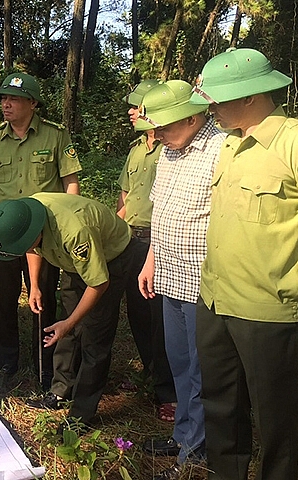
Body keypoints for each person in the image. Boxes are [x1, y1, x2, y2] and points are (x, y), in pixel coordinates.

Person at [190, 48, 298, 480]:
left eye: (218, 99)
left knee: (275, 418)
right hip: (215, 301)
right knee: (221, 406)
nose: (212, 109)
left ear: (250, 96)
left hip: (268, 310)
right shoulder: (230, 141)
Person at [0, 73, 81, 387]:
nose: (5, 104)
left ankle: (44, 365)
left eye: (12, 99)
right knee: (4, 300)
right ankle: (6, 362)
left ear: (32, 103)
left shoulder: (55, 136)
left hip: (43, 238)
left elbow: (70, 181)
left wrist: (69, 224)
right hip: (3, 235)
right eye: (2, 98)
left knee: (43, 300)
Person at [133, 80, 225, 480]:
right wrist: (151, 261)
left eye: (165, 127)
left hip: (203, 282)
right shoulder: (169, 153)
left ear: (192, 117)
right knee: (180, 363)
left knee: (204, 370)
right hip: (169, 275)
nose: (158, 136)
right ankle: (183, 434)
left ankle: (198, 450)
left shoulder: (221, 151)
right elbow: (161, 211)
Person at [0, 193, 139, 428]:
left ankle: (81, 415)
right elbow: (30, 247)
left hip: (111, 259)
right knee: (66, 327)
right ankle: (60, 390)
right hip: (72, 263)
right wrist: (34, 286)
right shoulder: (27, 214)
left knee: (94, 335)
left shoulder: (75, 233)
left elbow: (98, 283)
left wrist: (70, 323)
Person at [116, 79, 177, 421]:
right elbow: (125, 198)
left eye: (136, 106)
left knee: (161, 319)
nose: (130, 111)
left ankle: (169, 391)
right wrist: (113, 232)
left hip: (160, 241)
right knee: (138, 314)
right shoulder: (138, 149)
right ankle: (149, 374)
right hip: (132, 240)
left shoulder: (173, 147)